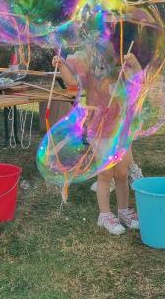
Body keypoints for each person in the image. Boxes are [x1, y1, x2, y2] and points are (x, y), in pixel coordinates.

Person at [92, 0, 155, 190]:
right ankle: (109, 168)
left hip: (137, 40)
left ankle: (130, 167)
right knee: (110, 106)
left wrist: (132, 10)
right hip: (108, 42)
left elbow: (152, 4)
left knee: (129, 106)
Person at [52, 44, 143, 235]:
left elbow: (139, 80)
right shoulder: (89, 80)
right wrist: (61, 65)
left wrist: (134, 64)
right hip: (100, 135)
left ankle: (124, 210)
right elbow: (69, 80)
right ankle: (105, 214)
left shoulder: (120, 76)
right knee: (105, 175)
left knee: (122, 174)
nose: (100, 65)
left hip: (120, 134)